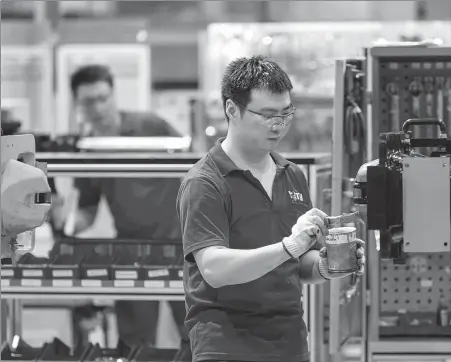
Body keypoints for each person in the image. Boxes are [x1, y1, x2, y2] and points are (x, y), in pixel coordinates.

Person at [176, 56, 366, 362]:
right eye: (266, 115)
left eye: (285, 113)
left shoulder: (291, 175)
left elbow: (295, 265)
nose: (278, 125)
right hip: (226, 345)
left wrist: (326, 266)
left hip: (289, 342)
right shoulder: (206, 182)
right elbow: (214, 269)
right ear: (231, 110)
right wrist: (289, 246)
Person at [54, 64, 188, 350]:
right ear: (78, 104)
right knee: (135, 343)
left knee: (199, 331)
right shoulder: (88, 151)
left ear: (114, 94)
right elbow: (87, 214)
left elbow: (196, 166)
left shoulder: (151, 127)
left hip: (181, 244)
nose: (99, 107)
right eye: (89, 101)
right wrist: (64, 219)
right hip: (131, 250)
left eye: (104, 97)